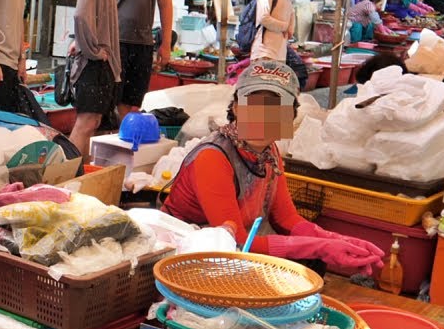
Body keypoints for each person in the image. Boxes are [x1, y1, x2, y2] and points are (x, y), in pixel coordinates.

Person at [161, 60, 384, 276]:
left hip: (234, 251)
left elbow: (287, 219)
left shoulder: (270, 153)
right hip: (189, 255)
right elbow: (234, 242)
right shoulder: (213, 157)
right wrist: (318, 246)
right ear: (237, 108)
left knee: (311, 261)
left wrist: (336, 240)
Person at [67, 0, 144, 159]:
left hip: (100, 62)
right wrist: (92, 49)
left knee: (94, 121)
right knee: (86, 121)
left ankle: (79, 172)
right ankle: (69, 173)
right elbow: (81, 16)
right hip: (93, 63)